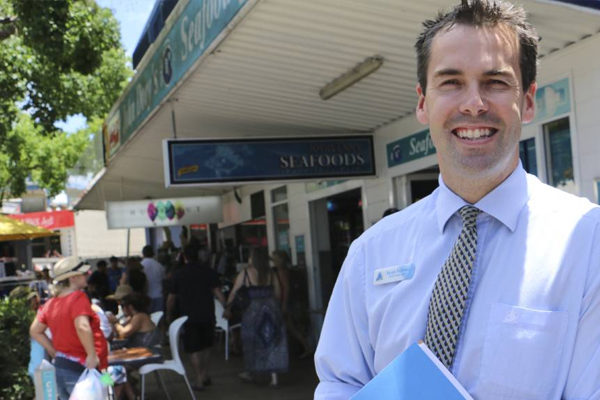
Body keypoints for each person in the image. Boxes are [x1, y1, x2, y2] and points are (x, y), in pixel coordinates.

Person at [314, 1, 600, 399]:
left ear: (528, 101)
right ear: (422, 102)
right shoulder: (370, 255)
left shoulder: (588, 244)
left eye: (495, 82)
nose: (473, 103)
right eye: (451, 82)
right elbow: (340, 384)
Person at [29, 257, 108, 400]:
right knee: (107, 390)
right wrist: (91, 354)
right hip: (84, 369)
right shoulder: (78, 297)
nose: (88, 275)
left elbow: (35, 330)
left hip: (63, 368)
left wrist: (54, 352)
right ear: (73, 277)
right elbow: (82, 326)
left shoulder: (51, 303)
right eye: (84, 273)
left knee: (108, 387)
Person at [225, 247, 288, 387]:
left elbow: (234, 292)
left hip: (252, 311)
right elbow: (278, 293)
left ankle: (251, 372)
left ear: (252, 258)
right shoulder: (271, 273)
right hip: (271, 309)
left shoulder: (245, 273)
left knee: (251, 340)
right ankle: (274, 378)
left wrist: (228, 308)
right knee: (272, 341)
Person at [167, 244, 226, 391]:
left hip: (188, 316)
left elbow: (171, 298)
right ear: (199, 256)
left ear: (184, 257)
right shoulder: (208, 271)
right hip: (207, 314)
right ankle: (204, 374)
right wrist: (226, 307)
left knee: (193, 348)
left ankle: (199, 378)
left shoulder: (178, 274)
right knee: (207, 345)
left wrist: (168, 314)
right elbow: (218, 292)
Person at [270, 250, 312, 359]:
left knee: (291, 327)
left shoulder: (281, 272)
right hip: (290, 302)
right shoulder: (286, 270)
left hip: (286, 303)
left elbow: (286, 288)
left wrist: (284, 304)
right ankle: (306, 346)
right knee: (291, 327)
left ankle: (307, 346)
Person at [140, 245, 165, 313]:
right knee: (158, 317)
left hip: (146, 297)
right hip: (159, 295)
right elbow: (163, 280)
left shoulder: (141, 265)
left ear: (143, 254)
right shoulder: (159, 266)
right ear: (153, 253)